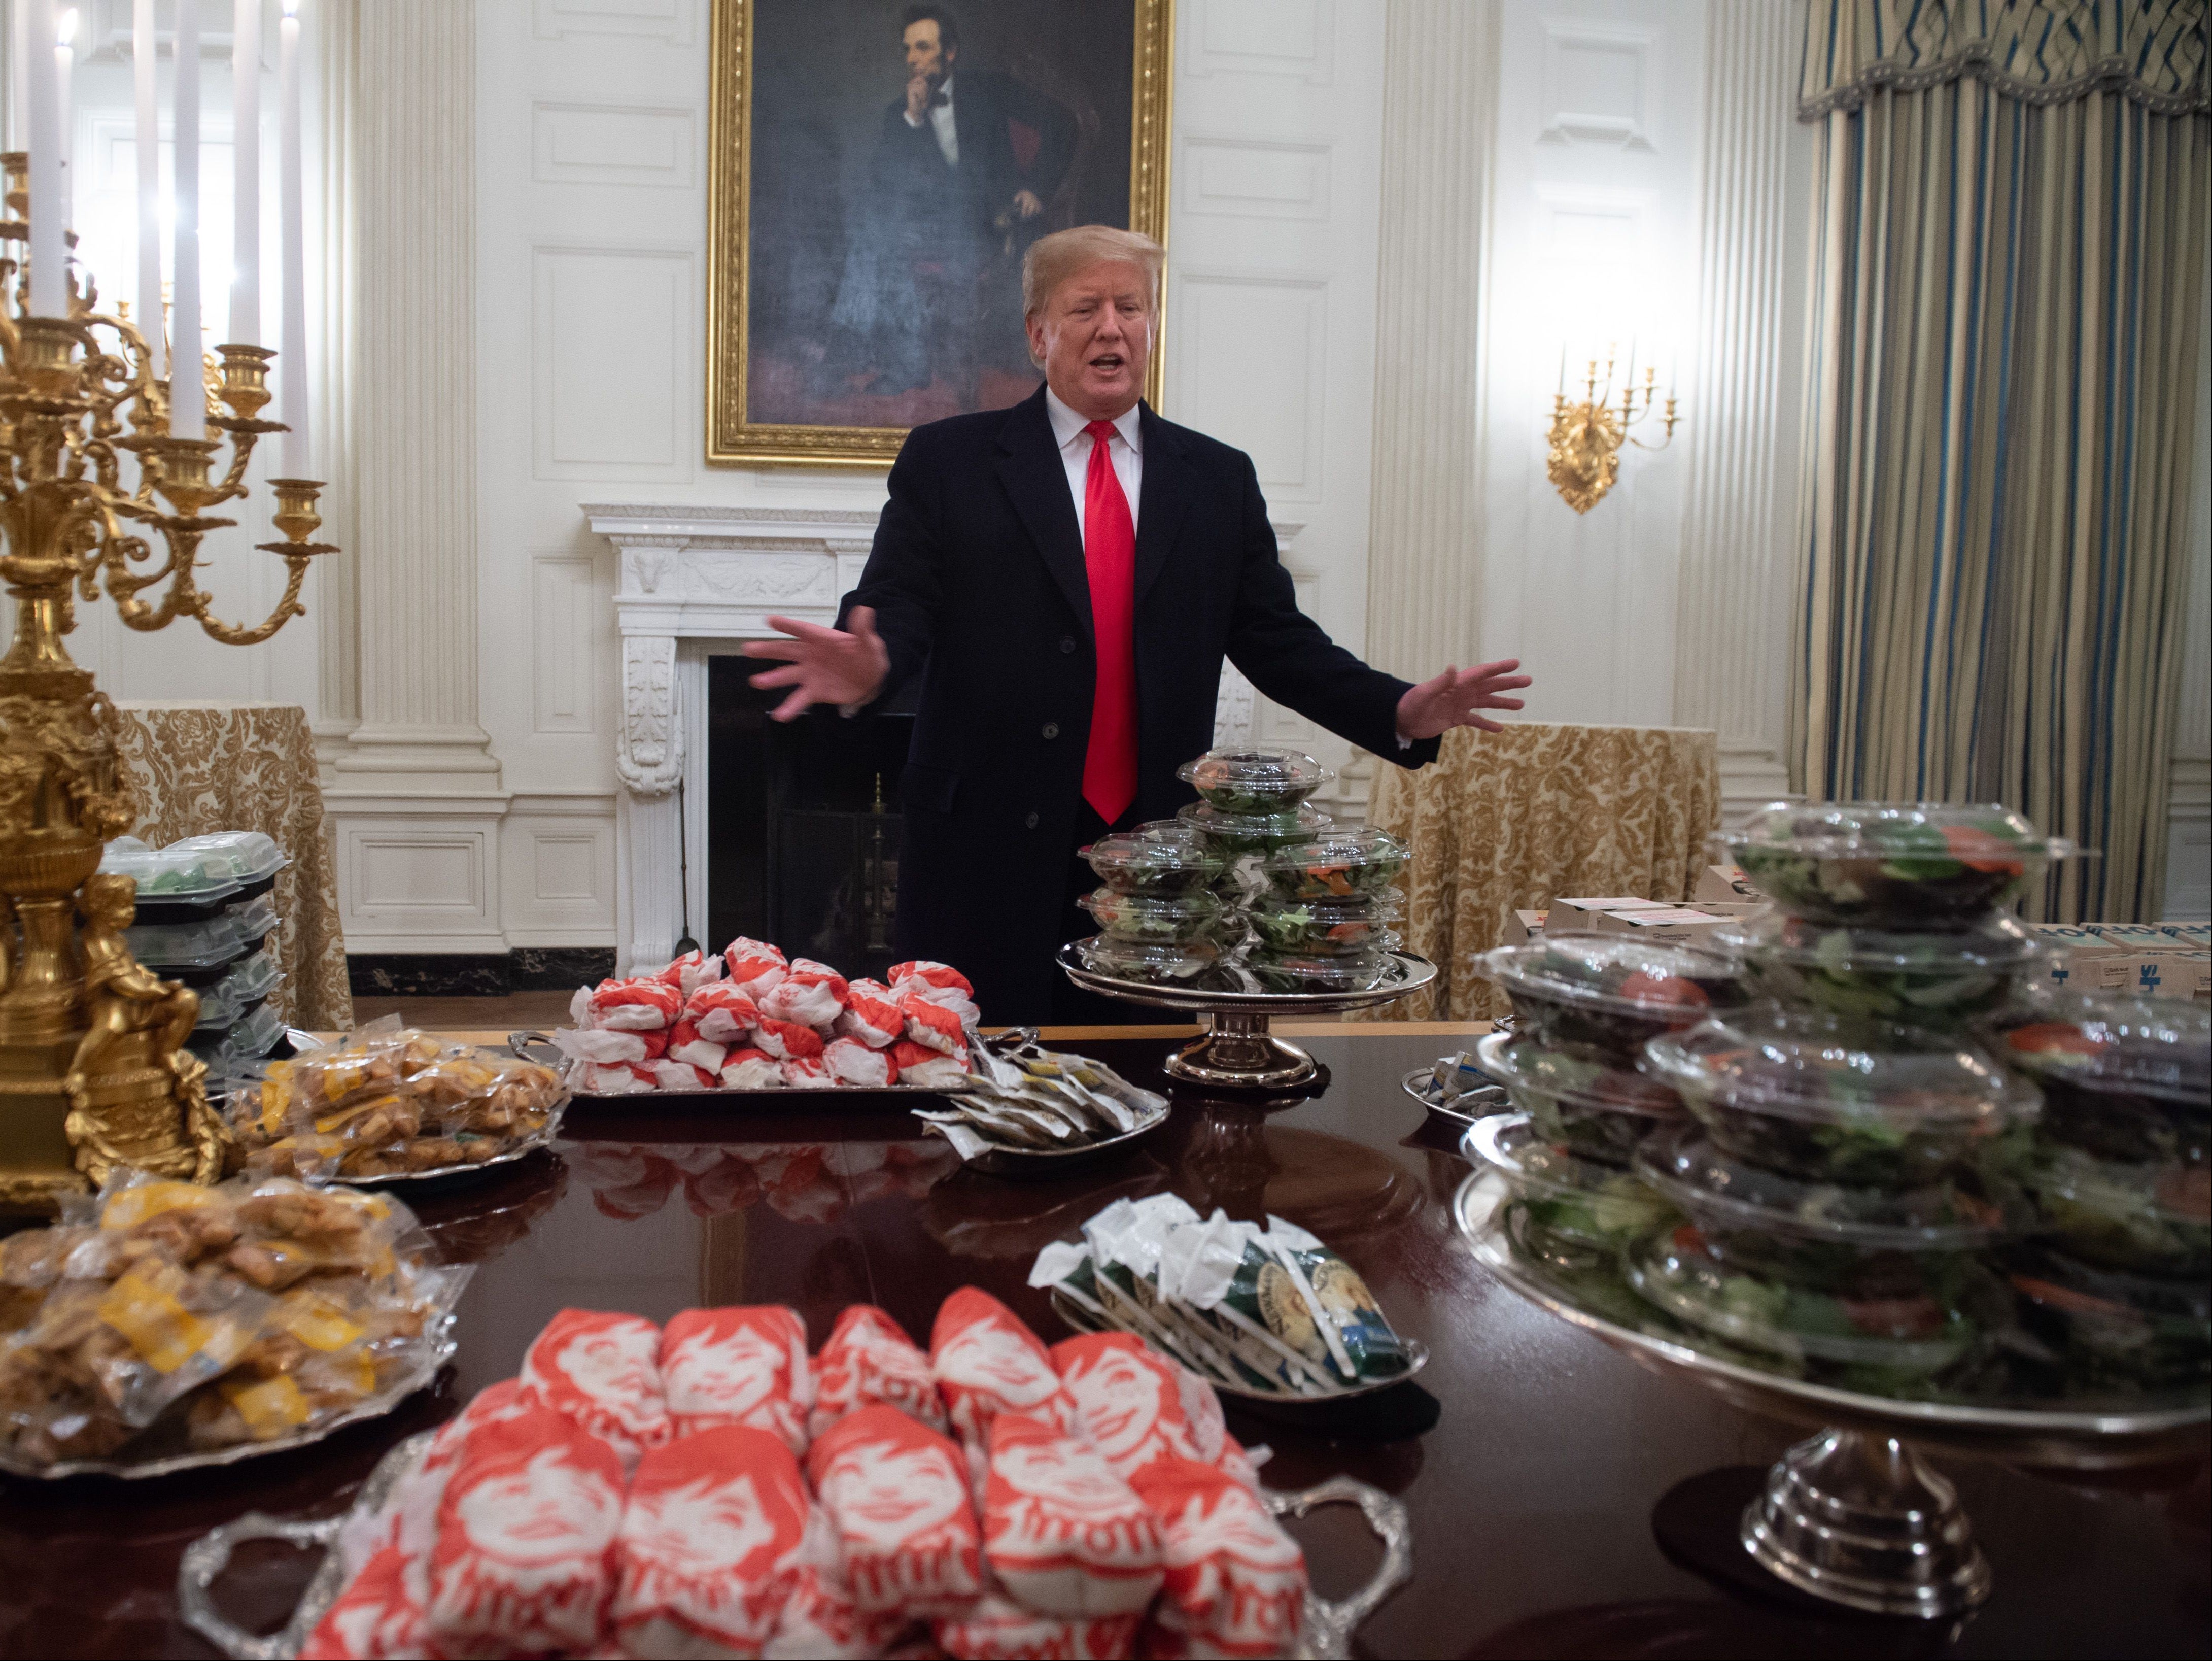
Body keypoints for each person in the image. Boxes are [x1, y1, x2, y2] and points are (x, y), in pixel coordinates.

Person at [748, 225, 1531, 1025]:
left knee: (1144, 1100)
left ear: (1153, 327)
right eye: (1085, 306)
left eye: (1131, 306)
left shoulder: (1217, 479)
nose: (1111, 325)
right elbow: (898, 603)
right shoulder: (949, 461)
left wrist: (1398, 710)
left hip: (1158, 874)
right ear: (1038, 333)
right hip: (980, 862)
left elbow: (1279, 641)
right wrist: (870, 664)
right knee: (978, 1102)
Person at [833, 5, 1078, 395]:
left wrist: (1036, 188)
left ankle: (857, 351)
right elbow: (884, 184)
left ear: (950, 52)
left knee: (877, 230)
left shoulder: (989, 90)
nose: (912, 59)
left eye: (924, 47)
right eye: (908, 49)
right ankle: (882, 355)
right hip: (928, 229)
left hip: (991, 224)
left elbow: (1064, 123)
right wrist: (913, 119)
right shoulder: (899, 113)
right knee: (873, 224)